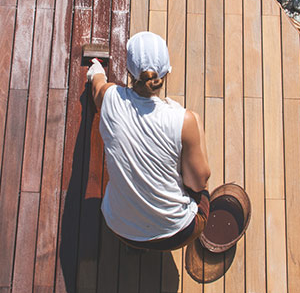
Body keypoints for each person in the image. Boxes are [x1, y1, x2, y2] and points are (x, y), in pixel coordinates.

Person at [86, 31, 211, 251]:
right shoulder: (183, 120)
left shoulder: (110, 98)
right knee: (201, 182)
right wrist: (195, 124)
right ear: (166, 73)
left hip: (120, 228)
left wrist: (96, 69)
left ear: (129, 72)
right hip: (177, 233)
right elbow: (198, 183)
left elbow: (97, 86)